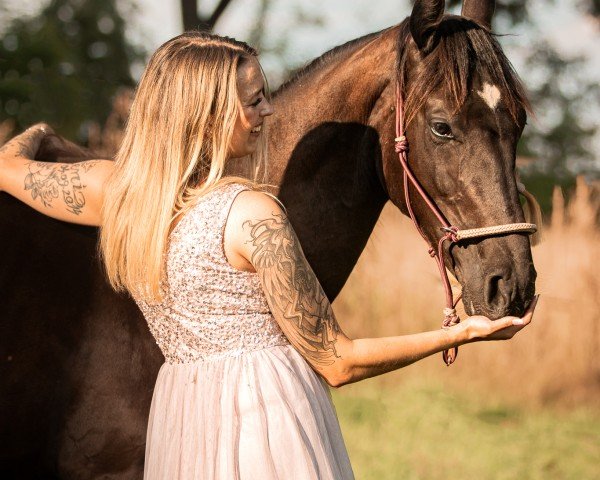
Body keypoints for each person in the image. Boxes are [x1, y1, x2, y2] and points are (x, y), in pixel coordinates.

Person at [0, 31, 538, 479]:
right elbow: (336, 360)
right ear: (207, 111)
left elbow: (8, 165)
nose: (268, 110)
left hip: (181, 428)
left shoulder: (114, 192)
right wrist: (460, 333)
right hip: (264, 432)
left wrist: (39, 132)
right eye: (253, 99)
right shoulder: (253, 215)